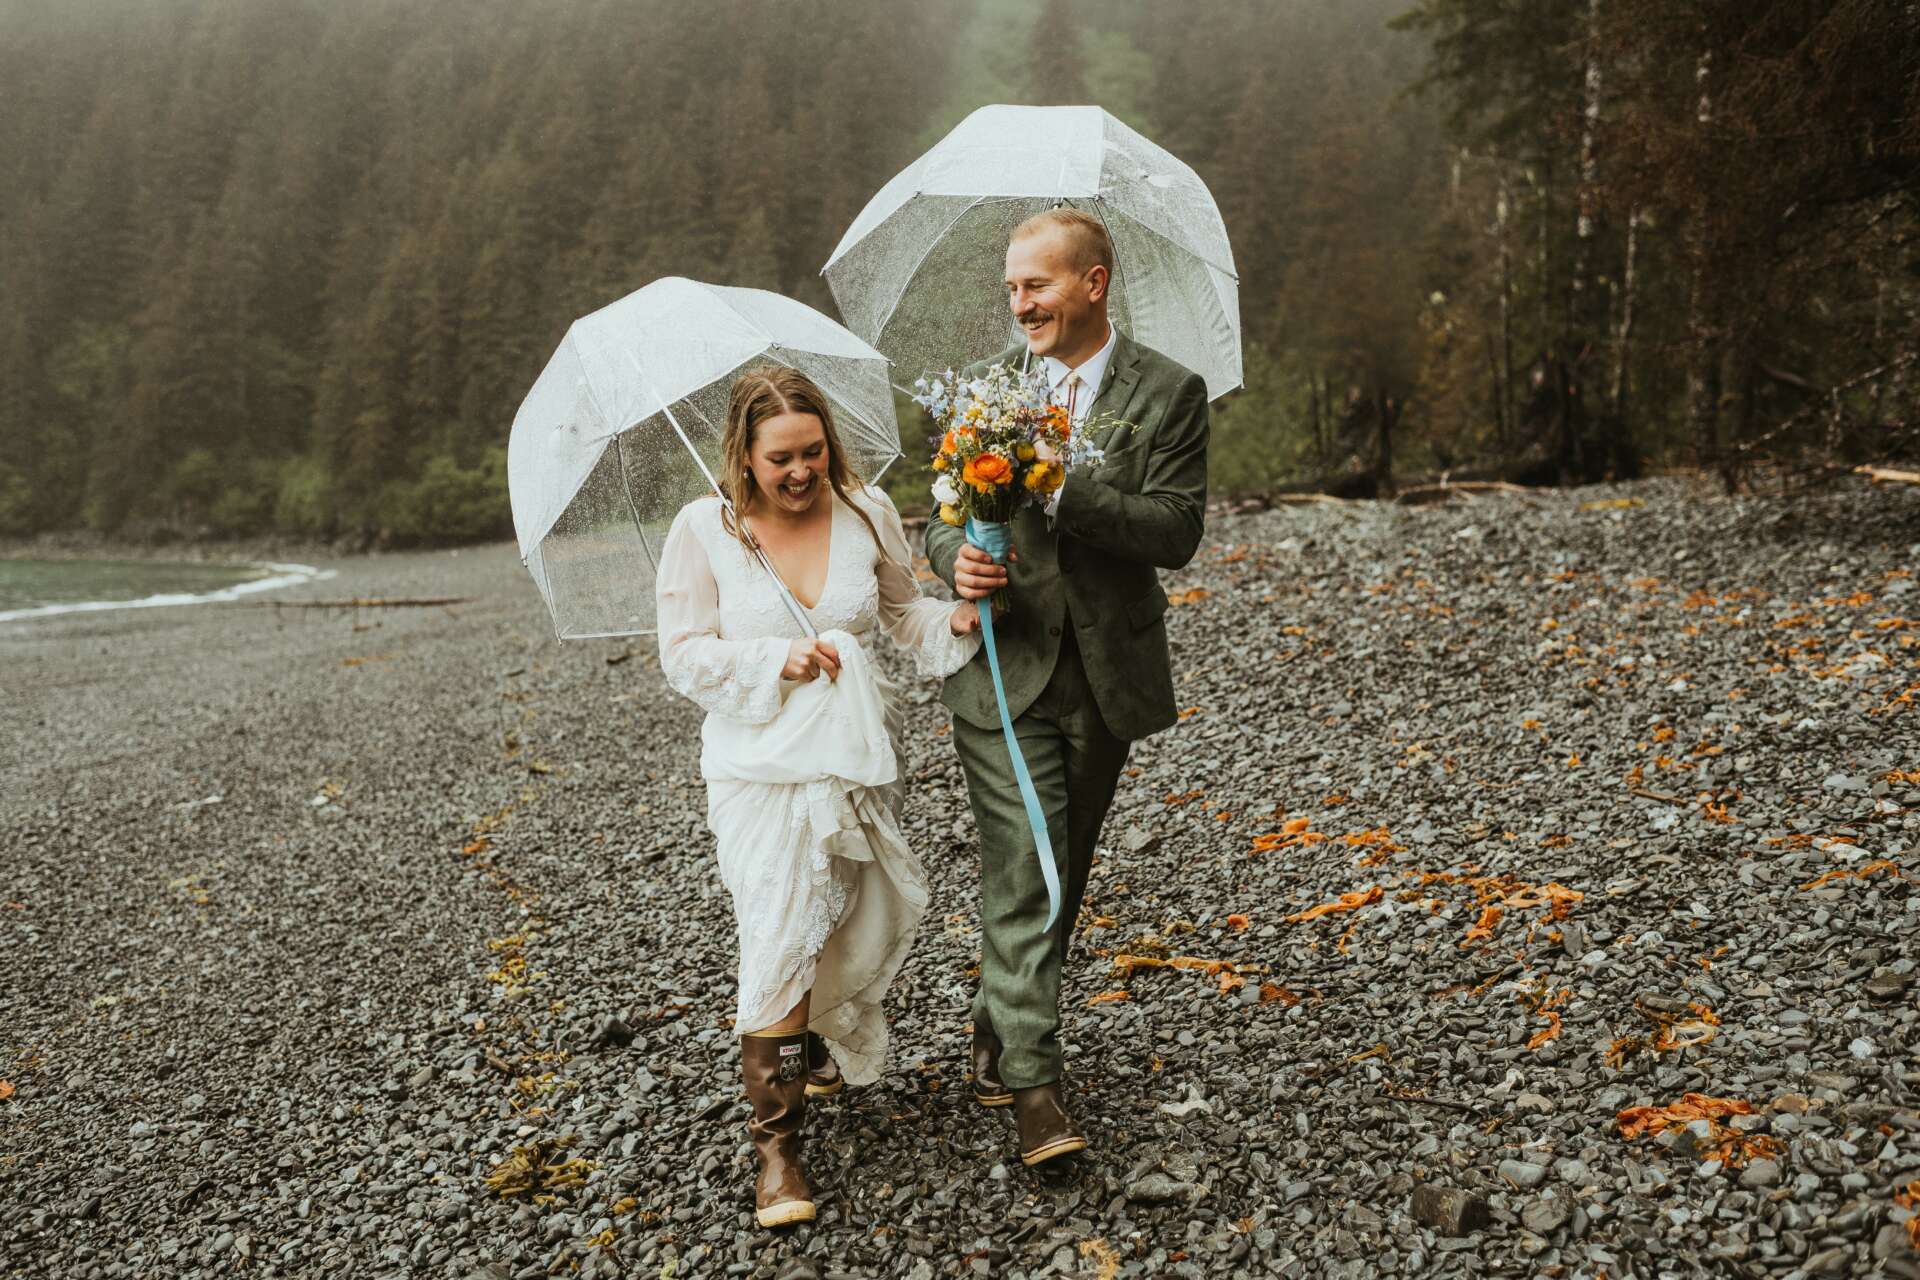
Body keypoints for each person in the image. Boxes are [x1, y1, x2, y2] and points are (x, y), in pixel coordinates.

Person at [655, 366, 981, 1227]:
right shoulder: (705, 528)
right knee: (777, 928)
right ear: (744, 456)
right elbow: (682, 654)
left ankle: (812, 1041)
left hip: (852, 757)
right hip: (756, 770)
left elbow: (904, 613)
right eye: (780, 460)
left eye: (813, 451)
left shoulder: (866, 509)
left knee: (837, 913)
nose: (800, 472)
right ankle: (778, 1150)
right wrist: (777, 658)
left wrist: (955, 618)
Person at [923, 208, 1210, 1167]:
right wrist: (956, 559)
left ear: (1093, 284)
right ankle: (1035, 1088)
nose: (1020, 304)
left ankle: (996, 1022)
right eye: (1011, 288)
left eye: (1036, 285)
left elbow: (1174, 530)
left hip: (1106, 676)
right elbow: (939, 518)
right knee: (1030, 859)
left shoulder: (1169, 392)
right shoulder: (986, 391)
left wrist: (1057, 487)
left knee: (1062, 867)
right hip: (1002, 671)